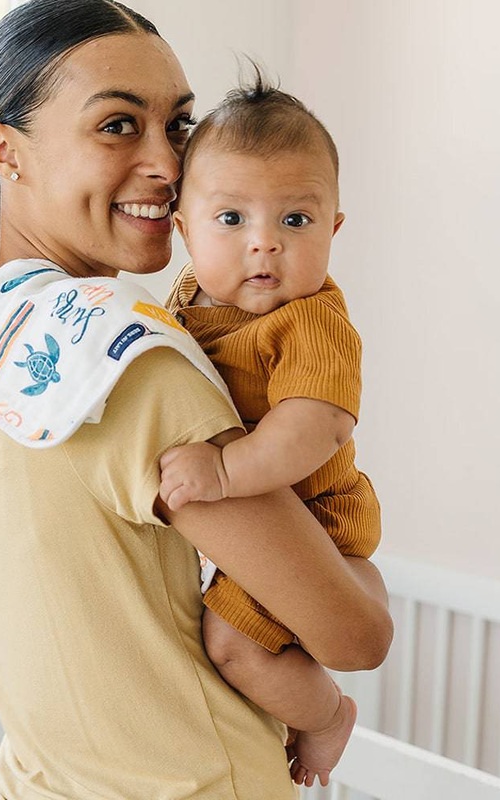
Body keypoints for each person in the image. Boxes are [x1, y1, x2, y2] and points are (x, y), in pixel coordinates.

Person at [0, 2, 392, 798]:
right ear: (5, 150)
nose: (169, 164)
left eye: (179, 124)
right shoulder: (123, 364)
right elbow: (355, 633)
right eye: (117, 127)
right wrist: (360, 577)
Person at [159, 79, 382, 788]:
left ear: (334, 231)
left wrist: (224, 475)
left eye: (295, 221)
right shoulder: (188, 300)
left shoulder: (312, 320)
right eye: (230, 217)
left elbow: (309, 430)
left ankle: (323, 718)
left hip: (318, 520)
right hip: (264, 530)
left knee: (231, 649)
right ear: (183, 228)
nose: (263, 244)